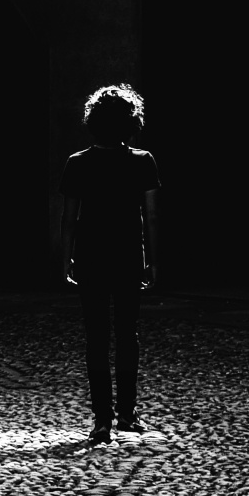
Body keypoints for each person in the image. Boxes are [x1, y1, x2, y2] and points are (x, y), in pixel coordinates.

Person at [61, 83, 160, 446]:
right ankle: (127, 414)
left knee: (96, 337)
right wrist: (153, 261)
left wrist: (65, 258)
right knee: (127, 335)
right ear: (131, 122)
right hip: (128, 255)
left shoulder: (77, 163)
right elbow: (150, 216)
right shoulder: (143, 161)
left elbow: (70, 217)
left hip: (91, 255)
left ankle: (101, 419)